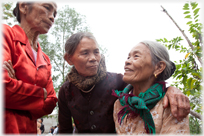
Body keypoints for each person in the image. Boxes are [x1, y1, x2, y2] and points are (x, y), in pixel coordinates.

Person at [58, 32, 190, 133]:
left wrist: (172, 89)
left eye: (96, 52)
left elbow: (151, 84)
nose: (93, 58)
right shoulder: (66, 91)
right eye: (85, 53)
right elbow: (64, 131)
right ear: (69, 59)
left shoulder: (118, 82)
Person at [2, 2, 58, 134]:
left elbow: (51, 102)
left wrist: (16, 85)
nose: (52, 17)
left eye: (55, 14)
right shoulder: (5, 35)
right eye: (47, 8)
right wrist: (40, 94)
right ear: (23, 7)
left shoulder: (45, 59)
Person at [113, 40, 190, 134]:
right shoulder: (119, 104)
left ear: (159, 67)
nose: (127, 61)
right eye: (128, 57)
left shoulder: (171, 104)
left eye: (136, 56)